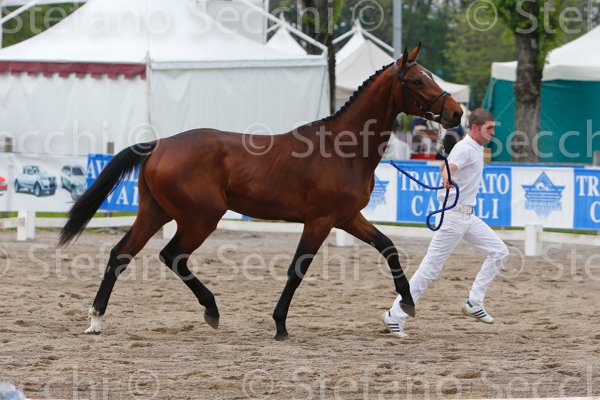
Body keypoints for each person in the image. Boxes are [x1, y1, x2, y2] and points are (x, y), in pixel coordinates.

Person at [382, 108, 509, 338]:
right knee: (429, 269)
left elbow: (446, 165)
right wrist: (447, 178)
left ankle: (474, 302)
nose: (493, 132)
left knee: (499, 251)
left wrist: (446, 172)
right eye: (489, 128)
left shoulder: (473, 148)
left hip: (467, 216)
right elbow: (449, 170)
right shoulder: (465, 148)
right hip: (453, 217)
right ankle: (395, 315)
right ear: (475, 128)